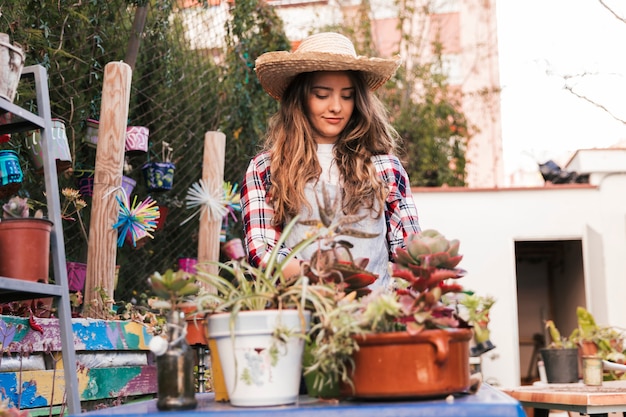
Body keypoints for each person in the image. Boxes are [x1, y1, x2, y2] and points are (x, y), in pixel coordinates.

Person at [240, 32, 420, 290]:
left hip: (373, 316)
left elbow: (407, 246)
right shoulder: (267, 169)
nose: (336, 107)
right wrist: (322, 284)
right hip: (301, 312)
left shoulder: (385, 167)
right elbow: (262, 251)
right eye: (322, 95)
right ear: (300, 99)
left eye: (347, 96)